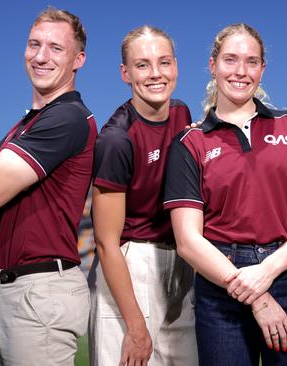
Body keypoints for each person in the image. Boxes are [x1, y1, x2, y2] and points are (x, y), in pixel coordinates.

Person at [164, 23, 287, 365]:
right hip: (222, 281)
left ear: (262, 69)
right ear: (213, 66)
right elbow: (187, 240)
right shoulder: (191, 143)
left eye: (251, 61)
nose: (240, 71)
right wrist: (257, 296)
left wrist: (268, 270)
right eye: (230, 60)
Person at [0, 7, 97, 366]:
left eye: (55, 48)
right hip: (0, 294)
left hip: (38, 295)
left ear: (78, 59)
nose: (41, 56)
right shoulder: (26, 124)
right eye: (34, 44)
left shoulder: (67, 117)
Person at [87, 25, 197, 366]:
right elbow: (107, 243)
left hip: (181, 261)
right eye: (142, 65)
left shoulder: (182, 113)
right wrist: (135, 326)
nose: (156, 74)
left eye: (164, 63)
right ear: (125, 73)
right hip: (131, 266)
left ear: (176, 66)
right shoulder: (116, 140)